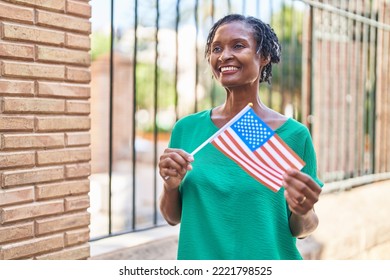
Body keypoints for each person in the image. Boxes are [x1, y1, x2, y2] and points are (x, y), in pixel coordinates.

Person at [158, 14, 323, 260]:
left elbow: (303, 229)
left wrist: (303, 209)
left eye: (238, 45)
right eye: (216, 48)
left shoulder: (294, 136)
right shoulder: (187, 129)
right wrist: (170, 185)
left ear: (264, 56)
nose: (224, 56)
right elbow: (172, 217)